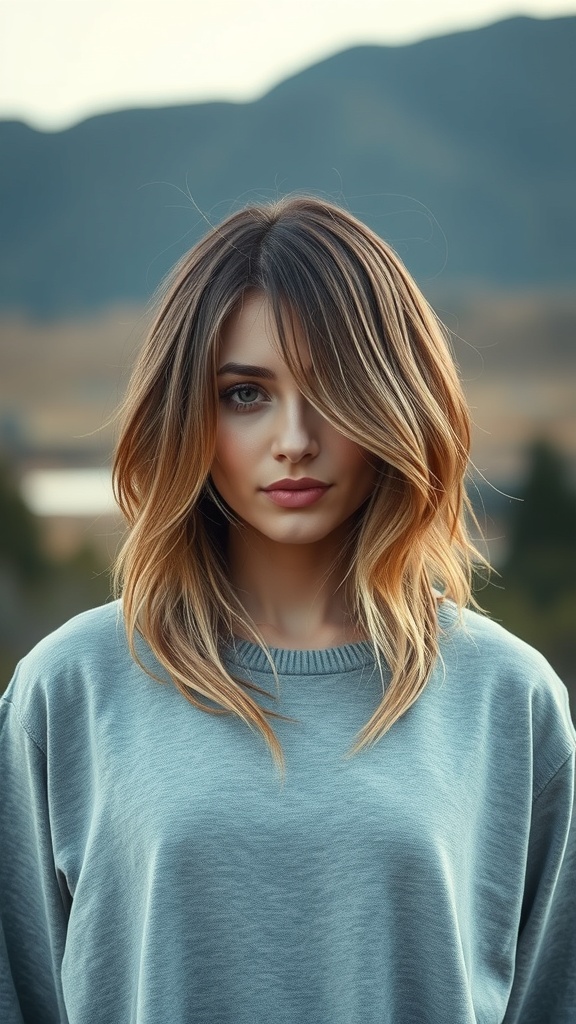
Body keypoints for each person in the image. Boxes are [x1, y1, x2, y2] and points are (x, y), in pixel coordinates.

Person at [1, 195, 574, 1024]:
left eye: (334, 389)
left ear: (395, 402)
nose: (295, 439)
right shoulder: (68, 689)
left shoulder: (509, 699)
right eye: (245, 394)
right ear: (187, 414)